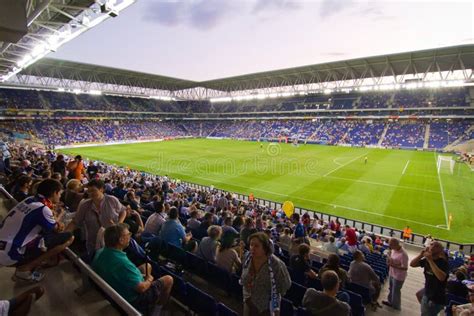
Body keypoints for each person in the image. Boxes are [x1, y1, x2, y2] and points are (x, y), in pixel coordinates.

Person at [0, 179, 74, 282]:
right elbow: (57, 230)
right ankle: (24, 270)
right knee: (68, 237)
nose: (60, 196)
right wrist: (60, 216)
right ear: (54, 193)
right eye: (60, 193)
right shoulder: (43, 209)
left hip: (3, 244)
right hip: (10, 253)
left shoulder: (30, 199)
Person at [92, 224, 173, 315]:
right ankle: (155, 312)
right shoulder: (123, 263)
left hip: (115, 287)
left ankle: (150, 300)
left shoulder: (100, 252)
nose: (130, 236)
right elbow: (141, 288)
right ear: (121, 240)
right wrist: (149, 279)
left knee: (147, 266)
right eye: (128, 234)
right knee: (168, 279)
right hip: (132, 299)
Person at [66, 179, 126, 256]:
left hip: (113, 241)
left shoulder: (112, 200)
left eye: (93, 190)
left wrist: (119, 223)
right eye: (89, 191)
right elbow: (75, 222)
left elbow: (123, 211)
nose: (90, 193)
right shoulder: (84, 205)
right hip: (93, 244)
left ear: (101, 189)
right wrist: (64, 234)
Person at [241, 232, 291, 316]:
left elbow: (285, 285)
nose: (252, 248)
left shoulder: (276, 264)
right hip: (248, 300)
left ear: (265, 248)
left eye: (256, 246)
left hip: (268, 306)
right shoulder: (248, 257)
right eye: (251, 245)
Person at [410, 241, 449, 316]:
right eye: (431, 244)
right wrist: (421, 255)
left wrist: (430, 260)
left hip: (436, 298)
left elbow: (441, 277)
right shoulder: (426, 260)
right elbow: (412, 264)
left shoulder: (443, 263)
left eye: (436, 246)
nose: (432, 247)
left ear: (440, 251)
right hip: (428, 292)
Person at [382, 238, 409, 310]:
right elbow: (392, 258)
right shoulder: (393, 249)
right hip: (392, 273)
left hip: (399, 276)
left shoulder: (403, 254)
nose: (389, 246)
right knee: (391, 288)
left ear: (395, 244)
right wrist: (389, 257)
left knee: (396, 291)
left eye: (390, 245)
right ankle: (390, 301)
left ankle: (396, 306)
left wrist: (392, 265)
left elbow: (405, 268)